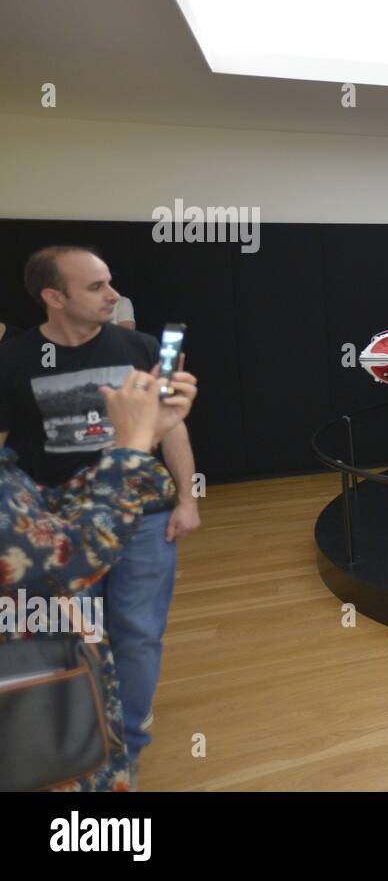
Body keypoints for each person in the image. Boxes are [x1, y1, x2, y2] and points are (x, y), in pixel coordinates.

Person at [0, 246, 201, 770]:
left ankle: (127, 743)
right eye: (96, 287)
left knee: (136, 630)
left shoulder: (140, 346)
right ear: (53, 297)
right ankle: (82, 729)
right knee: (72, 635)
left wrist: (186, 498)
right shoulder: (13, 359)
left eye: (110, 282)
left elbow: (171, 423)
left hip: (144, 515)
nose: (114, 295)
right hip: (61, 527)